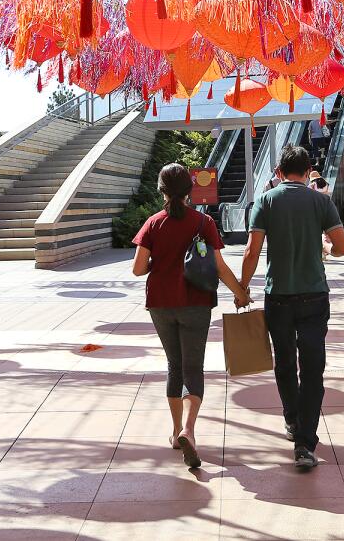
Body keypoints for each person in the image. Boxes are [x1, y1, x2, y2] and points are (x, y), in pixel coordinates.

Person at [132, 163, 250, 469]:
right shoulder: (204, 222)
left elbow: (137, 268)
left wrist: (160, 260)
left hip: (160, 302)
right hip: (196, 303)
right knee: (193, 367)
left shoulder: (153, 223)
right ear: (190, 190)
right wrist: (240, 293)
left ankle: (174, 431)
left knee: (174, 365)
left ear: (161, 191)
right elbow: (220, 267)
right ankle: (189, 429)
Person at [240, 145, 344, 470]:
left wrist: (242, 288)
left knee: (285, 363)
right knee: (313, 369)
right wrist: (325, 245)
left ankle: (291, 420)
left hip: (279, 297)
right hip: (315, 296)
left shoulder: (265, 201)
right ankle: (305, 443)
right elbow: (343, 248)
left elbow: (252, 251)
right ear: (308, 171)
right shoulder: (321, 201)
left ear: (278, 172)